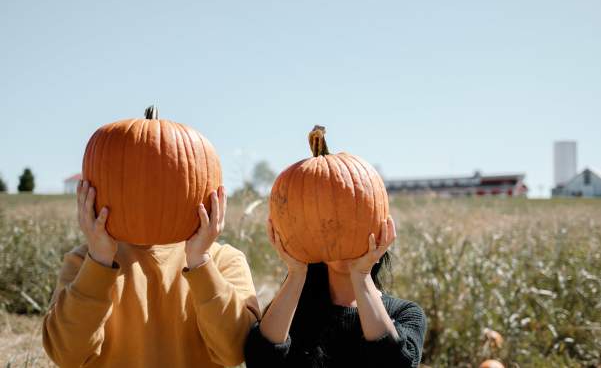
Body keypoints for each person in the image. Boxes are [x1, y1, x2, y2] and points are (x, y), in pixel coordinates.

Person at [43, 180, 260, 368]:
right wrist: (99, 261)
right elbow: (67, 355)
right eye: (127, 178)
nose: (147, 190)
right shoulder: (84, 262)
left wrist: (200, 261)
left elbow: (234, 352)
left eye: (167, 180)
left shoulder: (223, 260)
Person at [245, 216, 426, 368]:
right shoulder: (294, 310)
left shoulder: (406, 313)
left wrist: (361, 275)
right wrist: (297, 272)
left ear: (380, 236)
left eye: (355, 228)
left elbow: (398, 364)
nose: (345, 240)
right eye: (334, 228)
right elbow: (260, 361)